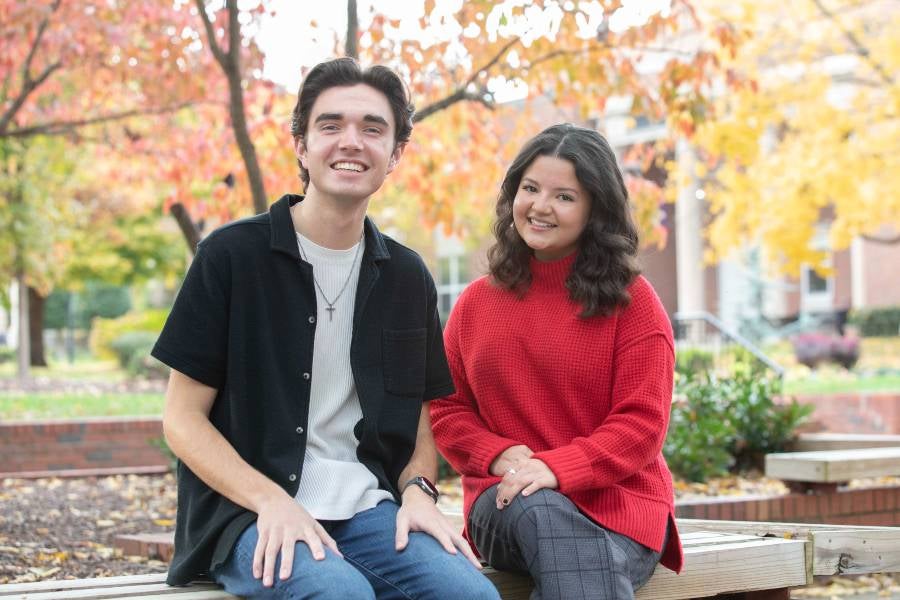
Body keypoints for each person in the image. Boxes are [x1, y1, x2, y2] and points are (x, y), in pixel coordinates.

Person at [152, 57, 499, 600]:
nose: (351, 142)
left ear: (396, 154)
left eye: (373, 129)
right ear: (301, 145)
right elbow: (182, 419)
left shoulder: (407, 277)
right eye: (331, 125)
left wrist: (418, 492)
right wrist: (270, 500)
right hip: (249, 511)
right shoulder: (230, 256)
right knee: (339, 594)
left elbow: (420, 422)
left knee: (470, 595)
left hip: (367, 510)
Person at [430, 123, 684, 600]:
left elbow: (642, 425)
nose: (540, 206)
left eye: (564, 196)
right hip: (507, 502)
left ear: (595, 210)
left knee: (578, 561)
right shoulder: (476, 303)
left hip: (619, 511)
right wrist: (496, 454)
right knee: (542, 511)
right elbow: (445, 409)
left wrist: (559, 467)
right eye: (530, 189)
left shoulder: (633, 304)